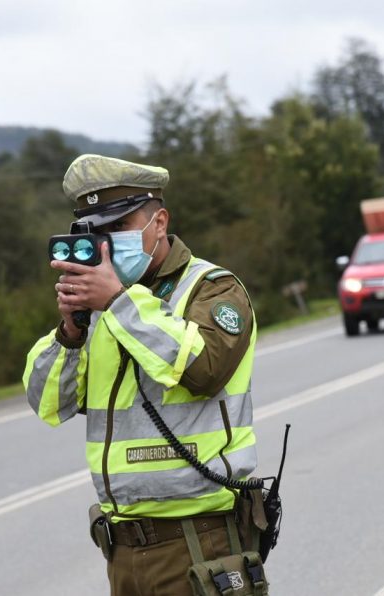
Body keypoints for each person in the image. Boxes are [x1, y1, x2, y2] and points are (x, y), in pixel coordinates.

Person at [23, 154, 265, 594]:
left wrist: (118, 302)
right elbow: (48, 404)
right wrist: (71, 330)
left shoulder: (212, 289)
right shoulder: (102, 306)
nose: (108, 241)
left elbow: (205, 369)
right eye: (97, 231)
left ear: (159, 222)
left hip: (199, 539)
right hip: (124, 546)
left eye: (120, 226)